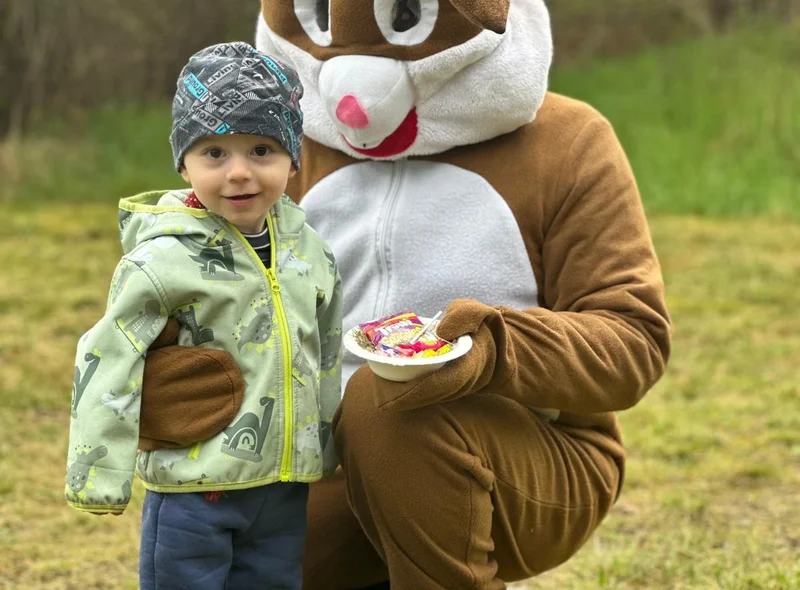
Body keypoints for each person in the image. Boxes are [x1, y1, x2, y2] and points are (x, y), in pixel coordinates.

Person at [136, 1, 672, 588]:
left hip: (535, 458)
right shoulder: (272, 158)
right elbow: (205, 306)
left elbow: (633, 342)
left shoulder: (566, 143)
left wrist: (493, 351)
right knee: (224, 537)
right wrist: (163, 381)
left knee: (387, 406)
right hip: (320, 462)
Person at [64, 41, 343, 590]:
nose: (239, 172)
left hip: (282, 484)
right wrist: (99, 470)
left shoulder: (310, 252)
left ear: (293, 157)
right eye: (214, 153)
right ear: (184, 162)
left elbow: (325, 350)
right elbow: (109, 355)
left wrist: (326, 444)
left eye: (261, 150)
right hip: (197, 482)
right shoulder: (163, 258)